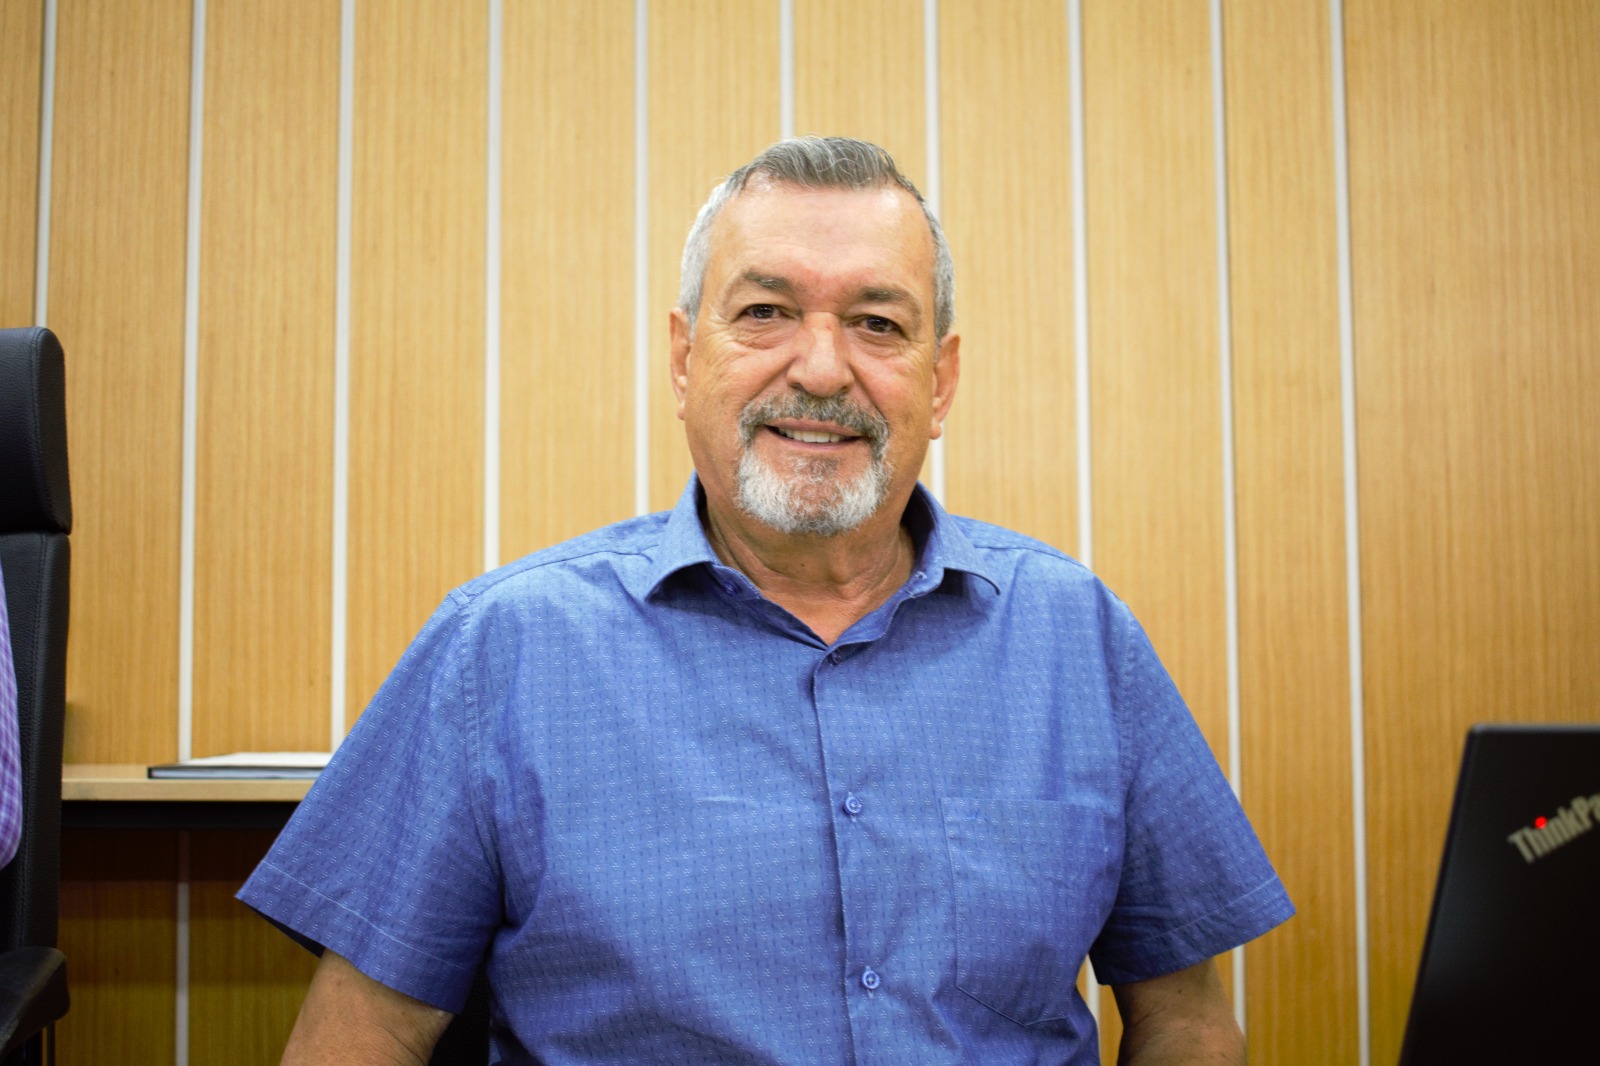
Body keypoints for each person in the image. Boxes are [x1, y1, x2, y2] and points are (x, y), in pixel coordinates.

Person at [241, 136, 1293, 1065]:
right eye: (764, 313)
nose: (823, 369)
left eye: (877, 322)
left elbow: (1188, 1023)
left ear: (940, 381)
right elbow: (361, 1040)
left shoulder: (1077, 638)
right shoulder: (503, 649)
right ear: (683, 357)